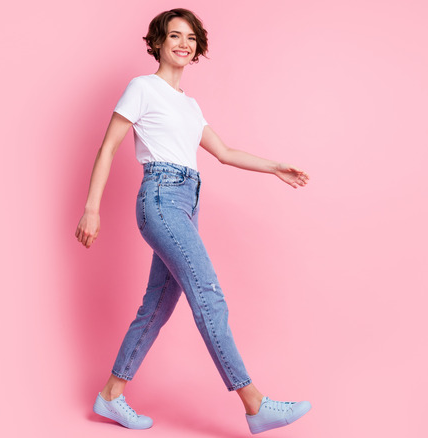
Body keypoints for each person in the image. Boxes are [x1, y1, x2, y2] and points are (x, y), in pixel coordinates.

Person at [74, 8, 311, 435]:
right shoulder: (142, 88)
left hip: (187, 201)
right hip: (161, 198)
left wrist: (275, 166)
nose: (184, 43)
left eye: (191, 38)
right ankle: (254, 402)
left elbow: (224, 152)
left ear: (197, 47)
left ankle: (110, 395)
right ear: (158, 43)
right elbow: (108, 147)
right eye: (174, 36)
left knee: (157, 308)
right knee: (208, 294)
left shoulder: (189, 105)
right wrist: (92, 207)